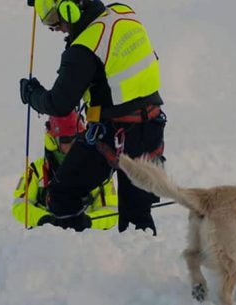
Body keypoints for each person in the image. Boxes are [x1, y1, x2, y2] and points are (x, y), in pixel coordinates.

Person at [19, 0, 166, 235]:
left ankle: (74, 254)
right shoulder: (123, 12)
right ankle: (142, 264)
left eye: (57, 23)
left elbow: (58, 104)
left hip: (113, 134)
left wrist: (31, 94)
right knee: (137, 213)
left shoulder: (84, 48)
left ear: (71, 10)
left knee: (62, 195)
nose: (60, 30)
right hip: (151, 127)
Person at [12, 111, 119, 230]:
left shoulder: (96, 171)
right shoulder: (36, 170)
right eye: (66, 139)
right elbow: (20, 206)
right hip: (44, 238)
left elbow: (111, 211)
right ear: (53, 141)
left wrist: (87, 221)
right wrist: (47, 220)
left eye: (77, 137)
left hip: (83, 241)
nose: (73, 143)